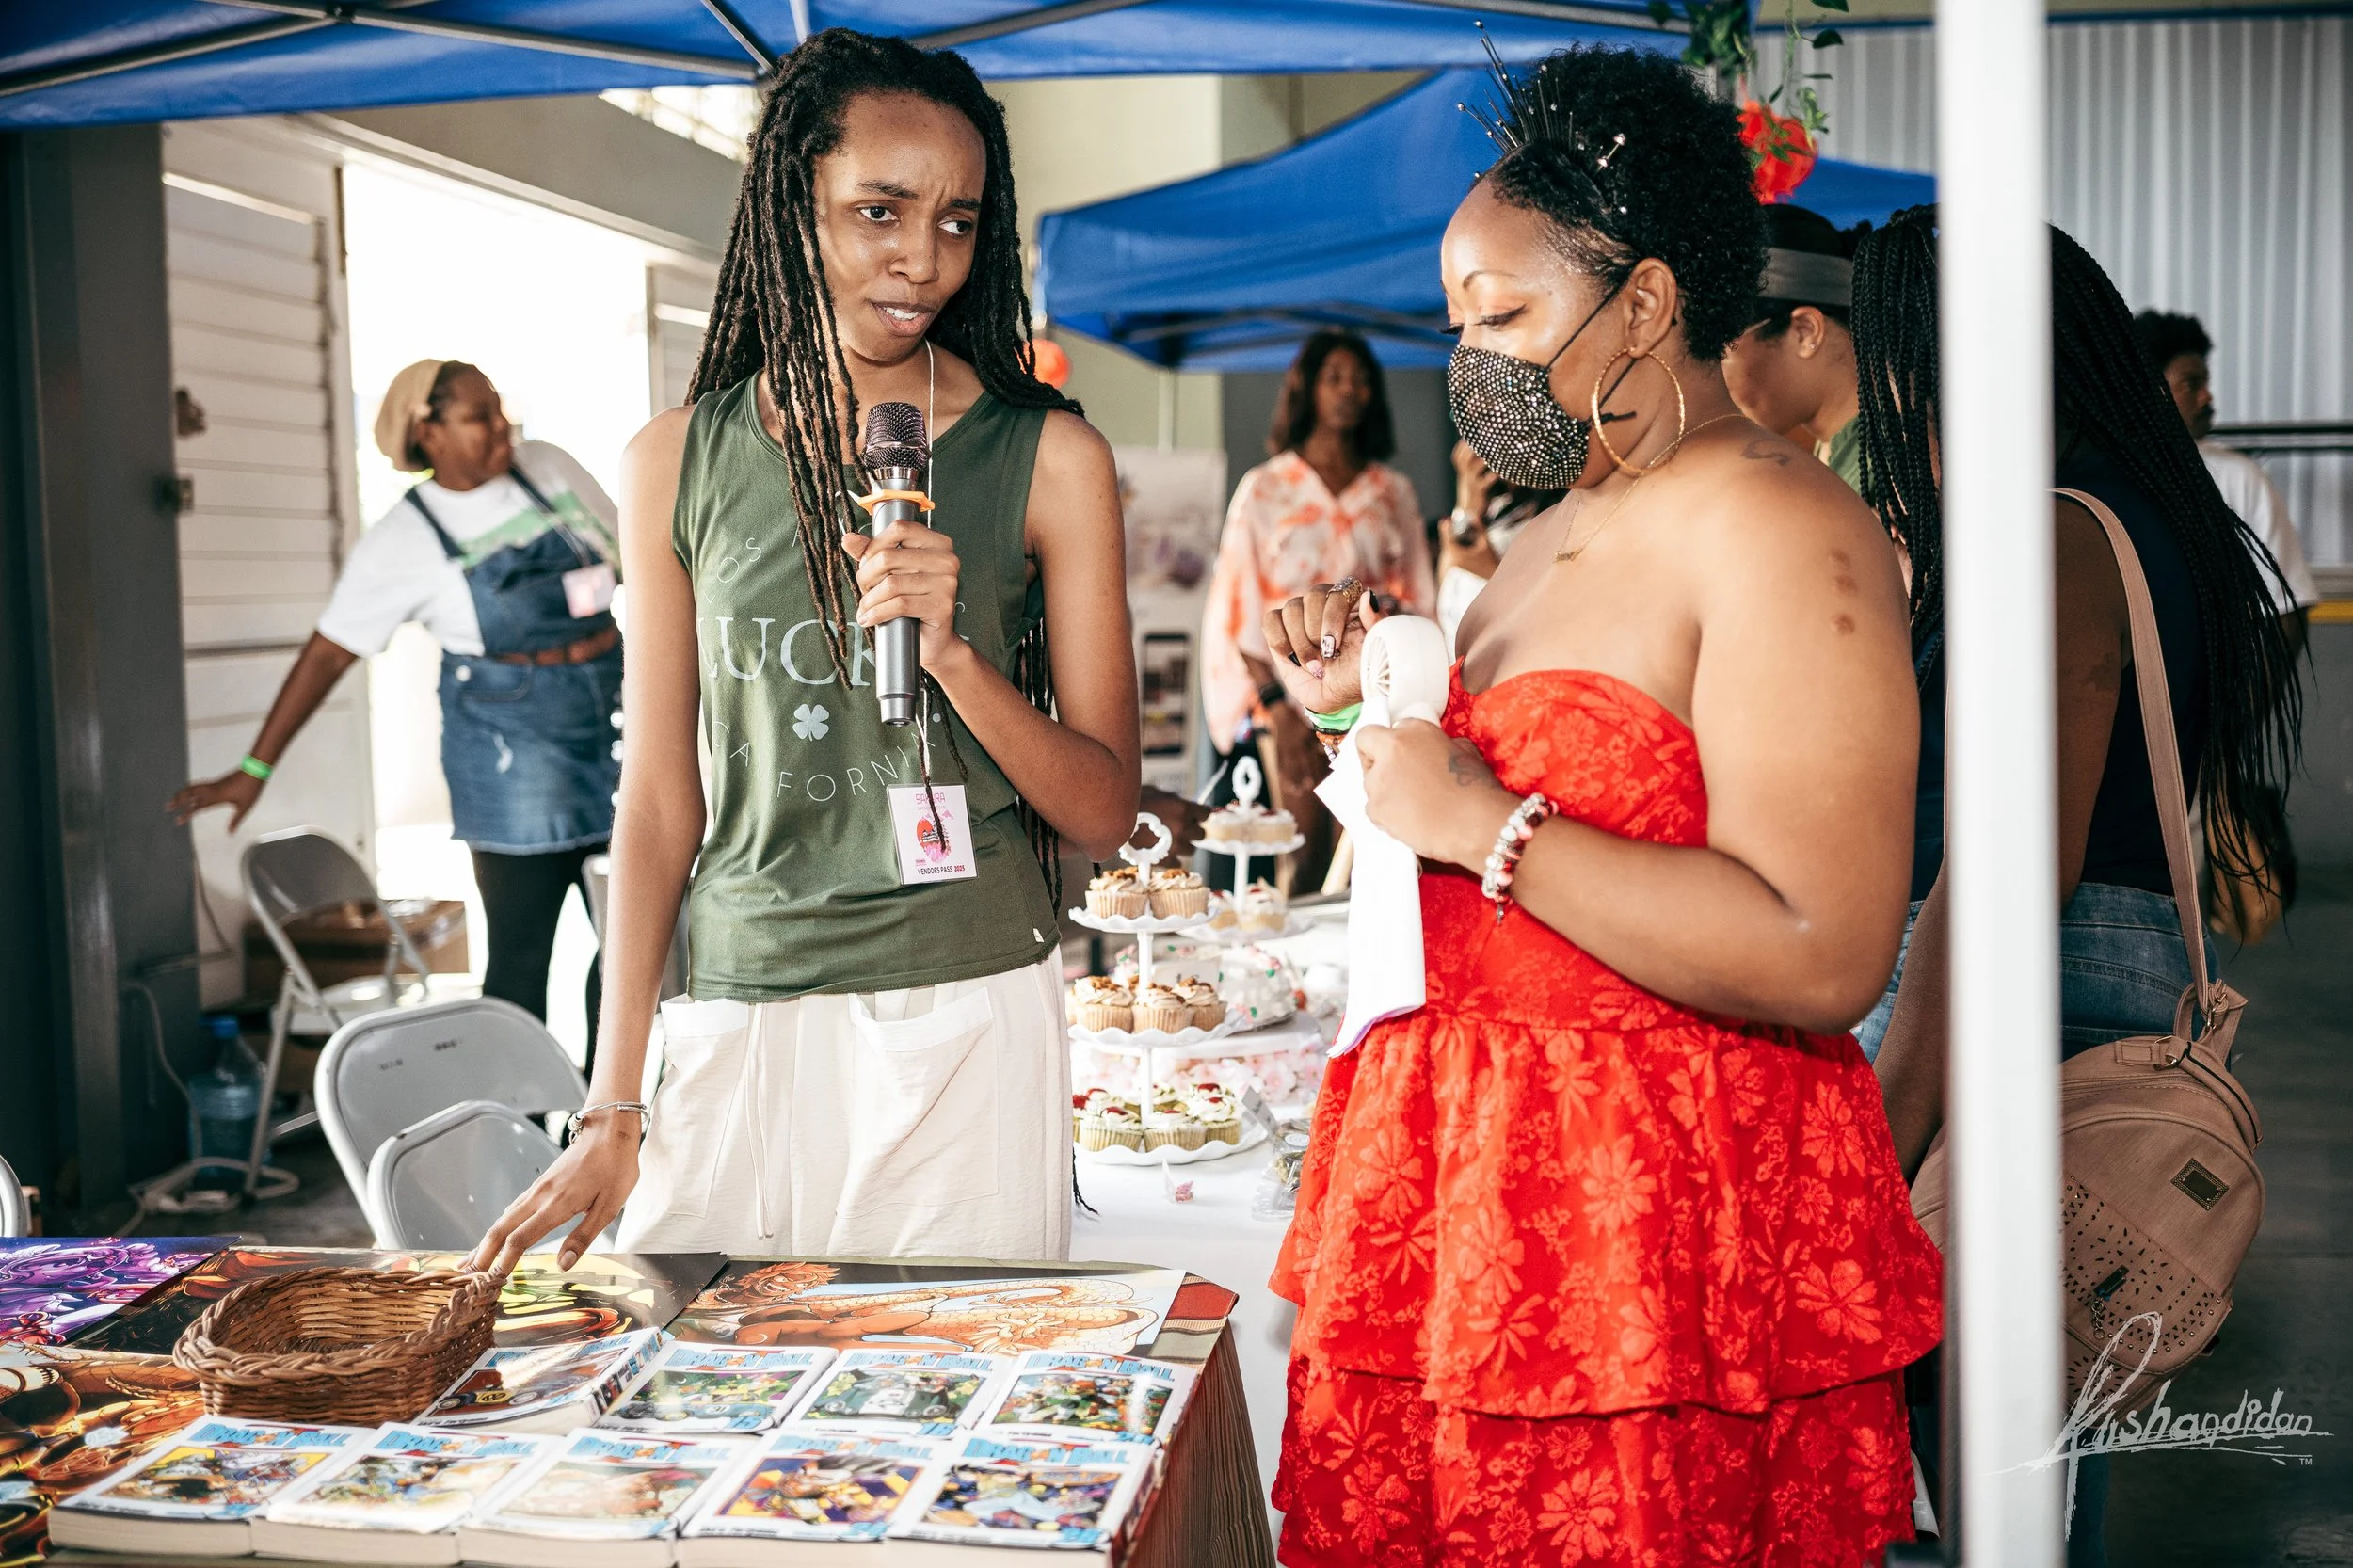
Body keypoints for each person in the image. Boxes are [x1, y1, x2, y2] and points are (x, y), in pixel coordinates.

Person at [1263, 46, 1940, 1565]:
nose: (1471, 356)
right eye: (1456, 323)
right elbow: (1461, 801)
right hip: (1465, 1190)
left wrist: (1483, 824)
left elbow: (1827, 948)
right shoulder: (1548, 527)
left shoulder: (1779, 525)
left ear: (1643, 304)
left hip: (1646, 1222)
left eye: (1503, 316)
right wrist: (1357, 702)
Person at [466, 29, 1138, 1278]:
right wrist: (615, 1101)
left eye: (957, 221)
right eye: (879, 210)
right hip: (736, 1014)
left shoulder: (1051, 459)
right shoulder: (676, 459)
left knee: (948, 1439)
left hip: (967, 1016)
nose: (923, 260)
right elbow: (661, 800)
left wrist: (956, 658)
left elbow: (1102, 811)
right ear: (794, 206)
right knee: (721, 1433)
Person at [1858, 212, 2301, 1565]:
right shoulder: (2145, 517)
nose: (1896, 406)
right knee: (2043, 1421)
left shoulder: (2060, 535)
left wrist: (1882, 1138)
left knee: (1986, 1454)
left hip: (2036, 1003)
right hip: (2103, 986)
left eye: (1904, 368)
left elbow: (2001, 878)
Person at [168, 360, 623, 1040]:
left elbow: (639, 552)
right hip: (510, 755)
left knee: (634, 945)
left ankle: (604, 1113)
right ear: (428, 433)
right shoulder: (402, 542)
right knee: (524, 955)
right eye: (480, 417)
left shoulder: (547, 468)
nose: (504, 428)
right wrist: (253, 769)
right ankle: (526, 1126)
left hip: (614, 724)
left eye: (501, 410)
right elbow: (327, 653)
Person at [1199, 328, 1433, 891]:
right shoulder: (1266, 489)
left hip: (1373, 694)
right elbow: (1238, 609)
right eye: (1334, 377)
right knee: (1299, 861)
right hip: (1284, 696)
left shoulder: (1392, 493)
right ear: (1308, 389)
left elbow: (1419, 597)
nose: (1349, 390)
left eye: (1360, 379)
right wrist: (1281, 712)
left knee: (1367, 857)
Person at [2132, 310, 2320, 650]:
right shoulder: (2104, 475)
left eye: (2206, 383)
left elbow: (2286, 611)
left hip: (2215, 697)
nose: (2207, 397)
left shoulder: (2238, 476)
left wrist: (2250, 705)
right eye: (2192, 384)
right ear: (2149, 388)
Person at [1721, 202, 1865, 492]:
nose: (1710, 378)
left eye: (1720, 352)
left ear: (1805, 331)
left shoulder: (1893, 477)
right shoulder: (1845, 450)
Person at [1432, 439, 1561, 650]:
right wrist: (1467, 506)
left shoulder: (1561, 515)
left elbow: (1554, 629)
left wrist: (1491, 573)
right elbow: (1450, 581)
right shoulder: (1497, 507)